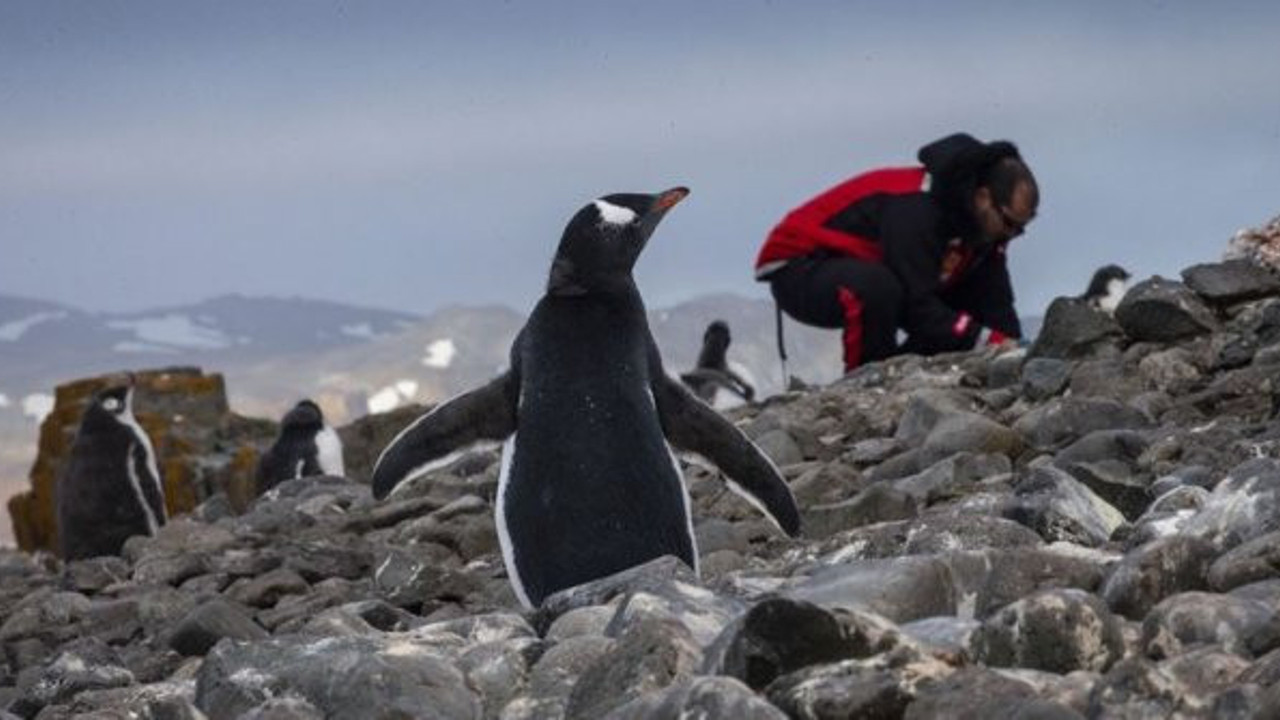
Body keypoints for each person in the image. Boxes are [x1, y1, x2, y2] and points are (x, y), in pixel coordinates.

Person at [755, 132, 1038, 373]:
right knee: (880, 288)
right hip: (796, 267)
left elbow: (994, 301)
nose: (1012, 234)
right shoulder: (917, 208)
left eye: (1021, 228)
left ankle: (911, 373)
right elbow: (916, 303)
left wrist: (1018, 351)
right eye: (1010, 223)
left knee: (960, 302)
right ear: (983, 197)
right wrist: (987, 340)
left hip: (869, 267)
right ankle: (867, 382)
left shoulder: (982, 232)